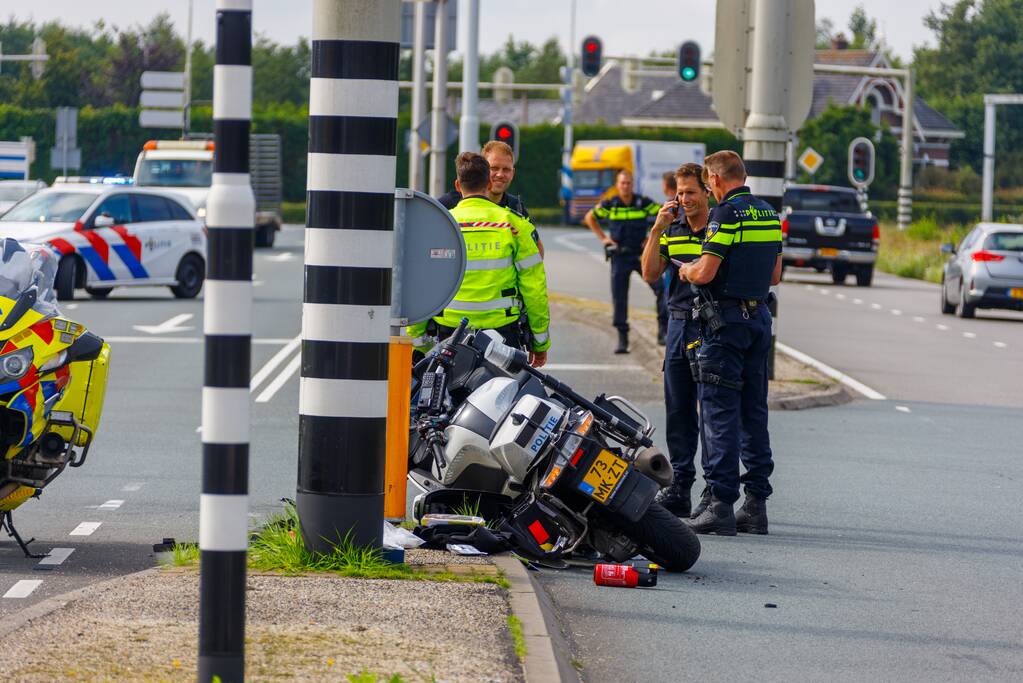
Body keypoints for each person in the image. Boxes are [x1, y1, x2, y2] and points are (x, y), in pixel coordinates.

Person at [677, 150, 782, 535]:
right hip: (759, 321)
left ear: (715, 180)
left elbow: (706, 271)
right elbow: (775, 275)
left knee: (719, 410)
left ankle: (719, 502)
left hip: (725, 323)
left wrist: (688, 269)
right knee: (754, 411)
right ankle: (755, 504)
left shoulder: (726, 214)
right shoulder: (770, 215)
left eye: (707, 182)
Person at [409, 152, 551, 368]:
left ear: (458, 185)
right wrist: (540, 343)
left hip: (448, 332)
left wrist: (420, 341)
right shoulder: (513, 225)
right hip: (502, 334)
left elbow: (419, 284)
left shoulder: (440, 225)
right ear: (488, 183)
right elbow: (534, 288)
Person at [641, 163, 711, 518]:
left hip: (711, 328)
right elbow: (650, 272)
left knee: (712, 412)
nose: (684, 200)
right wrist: (656, 231)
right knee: (679, 409)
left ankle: (713, 490)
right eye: (680, 193)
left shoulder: (718, 227)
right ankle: (681, 485)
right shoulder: (674, 228)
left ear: (708, 191)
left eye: (691, 193)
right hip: (679, 326)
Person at [583, 169, 666, 353]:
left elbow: (664, 216)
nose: (626, 186)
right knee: (619, 298)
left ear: (632, 184)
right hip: (620, 256)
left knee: (661, 288)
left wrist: (653, 237)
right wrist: (604, 239)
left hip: (640, 255)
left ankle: (662, 332)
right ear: (617, 185)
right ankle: (623, 339)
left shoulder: (642, 202)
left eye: (628, 183)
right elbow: (590, 218)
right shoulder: (611, 204)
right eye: (622, 183)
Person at [437, 140, 544, 257]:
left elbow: (536, 248)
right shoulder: (450, 203)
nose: (500, 174)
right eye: (494, 168)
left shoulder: (516, 207)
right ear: (483, 170)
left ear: (513, 173)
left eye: (506, 169)